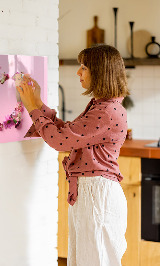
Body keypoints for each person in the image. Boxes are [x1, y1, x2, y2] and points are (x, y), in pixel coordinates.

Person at [17, 44, 129, 266]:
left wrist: (32, 108)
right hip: (92, 193)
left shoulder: (106, 111)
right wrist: (38, 103)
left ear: (100, 72)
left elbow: (60, 141)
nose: (78, 72)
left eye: (84, 67)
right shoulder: (102, 106)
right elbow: (68, 133)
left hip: (97, 195)